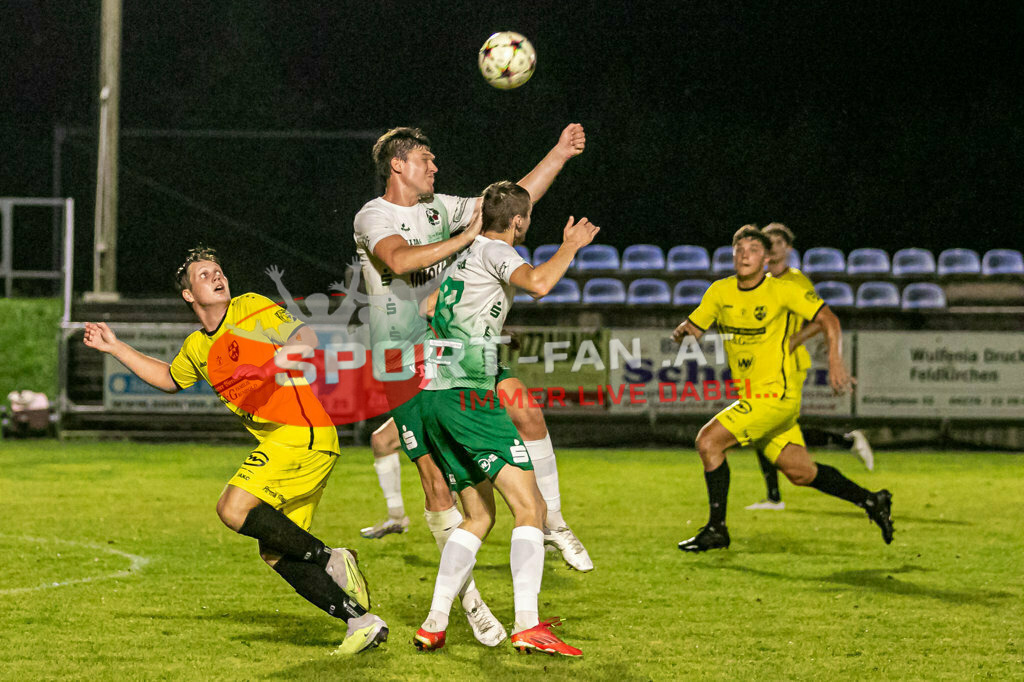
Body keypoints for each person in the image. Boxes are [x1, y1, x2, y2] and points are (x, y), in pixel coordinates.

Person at [351, 124, 591, 645]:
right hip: (404, 360)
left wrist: (558, 153)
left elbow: (509, 206)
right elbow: (398, 259)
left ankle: (552, 523)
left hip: (455, 348)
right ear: (398, 165)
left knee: (526, 408)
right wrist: (466, 242)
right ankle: (470, 604)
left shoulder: (443, 207)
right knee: (441, 488)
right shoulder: (376, 215)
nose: (435, 168)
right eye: (425, 159)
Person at [82, 246, 387, 655]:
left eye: (218, 270)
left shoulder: (249, 308)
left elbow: (305, 338)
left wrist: (269, 369)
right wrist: (115, 348)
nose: (216, 276)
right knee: (276, 552)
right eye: (204, 275)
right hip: (290, 443)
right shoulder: (197, 347)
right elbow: (171, 379)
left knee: (232, 508)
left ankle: (332, 557)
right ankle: (361, 622)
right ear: (189, 295)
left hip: (301, 433)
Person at [413, 180, 598, 655]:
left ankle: (434, 622)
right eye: (526, 219)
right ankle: (528, 625)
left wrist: (482, 326)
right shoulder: (496, 251)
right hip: (468, 398)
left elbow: (431, 307)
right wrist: (570, 246)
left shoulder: (462, 255)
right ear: (518, 222)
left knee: (478, 516)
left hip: (433, 396)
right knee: (529, 508)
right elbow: (538, 283)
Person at [671, 226, 894, 552]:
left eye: (753, 249)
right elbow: (694, 325)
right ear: (733, 255)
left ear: (766, 257)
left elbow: (828, 318)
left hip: (775, 395)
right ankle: (873, 500)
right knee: (800, 472)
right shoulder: (719, 292)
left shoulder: (783, 289)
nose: (745, 253)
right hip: (752, 395)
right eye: (739, 248)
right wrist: (685, 332)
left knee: (708, 442)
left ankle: (717, 529)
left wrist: (834, 360)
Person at [746, 223, 876, 511]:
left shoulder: (796, 281)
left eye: (780, 242)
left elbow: (822, 319)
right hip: (765, 365)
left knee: (764, 427)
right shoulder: (762, 280)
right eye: (770, 242)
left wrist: (795, 339)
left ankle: (776, 497)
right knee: (765, 430)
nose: (775, 246)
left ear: (788, 248)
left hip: (788, 366)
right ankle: (845, 442)